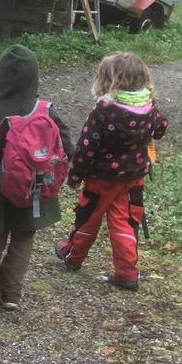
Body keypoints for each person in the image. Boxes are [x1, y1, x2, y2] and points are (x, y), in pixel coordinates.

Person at [0, 45, 73, 314]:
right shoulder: (45, 111)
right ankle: (11, 294)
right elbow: (67, 147)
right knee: (23, 240)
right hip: (33, 191)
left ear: (0, 76)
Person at [55, 51, 168, 290]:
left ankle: (72, 257)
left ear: (108, 80)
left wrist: (75, 175)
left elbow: (87, 146)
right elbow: (160, 128)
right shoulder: (149, 107)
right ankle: (127, 273)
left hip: (101, 179)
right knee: (125, 222)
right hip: (133, 177)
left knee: (88, 218)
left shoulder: (104, 110)